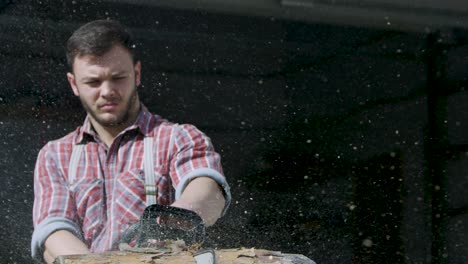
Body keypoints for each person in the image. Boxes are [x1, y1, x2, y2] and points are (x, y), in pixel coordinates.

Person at [31, 19, 231, 263]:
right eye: (93, 82)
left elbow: (208, 190)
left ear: (136, 74)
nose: (107, 91)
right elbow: (53, 231)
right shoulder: (55, 155)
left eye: (118, 77)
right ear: (74, 84)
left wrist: (177, 218)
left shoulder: (178, 138)